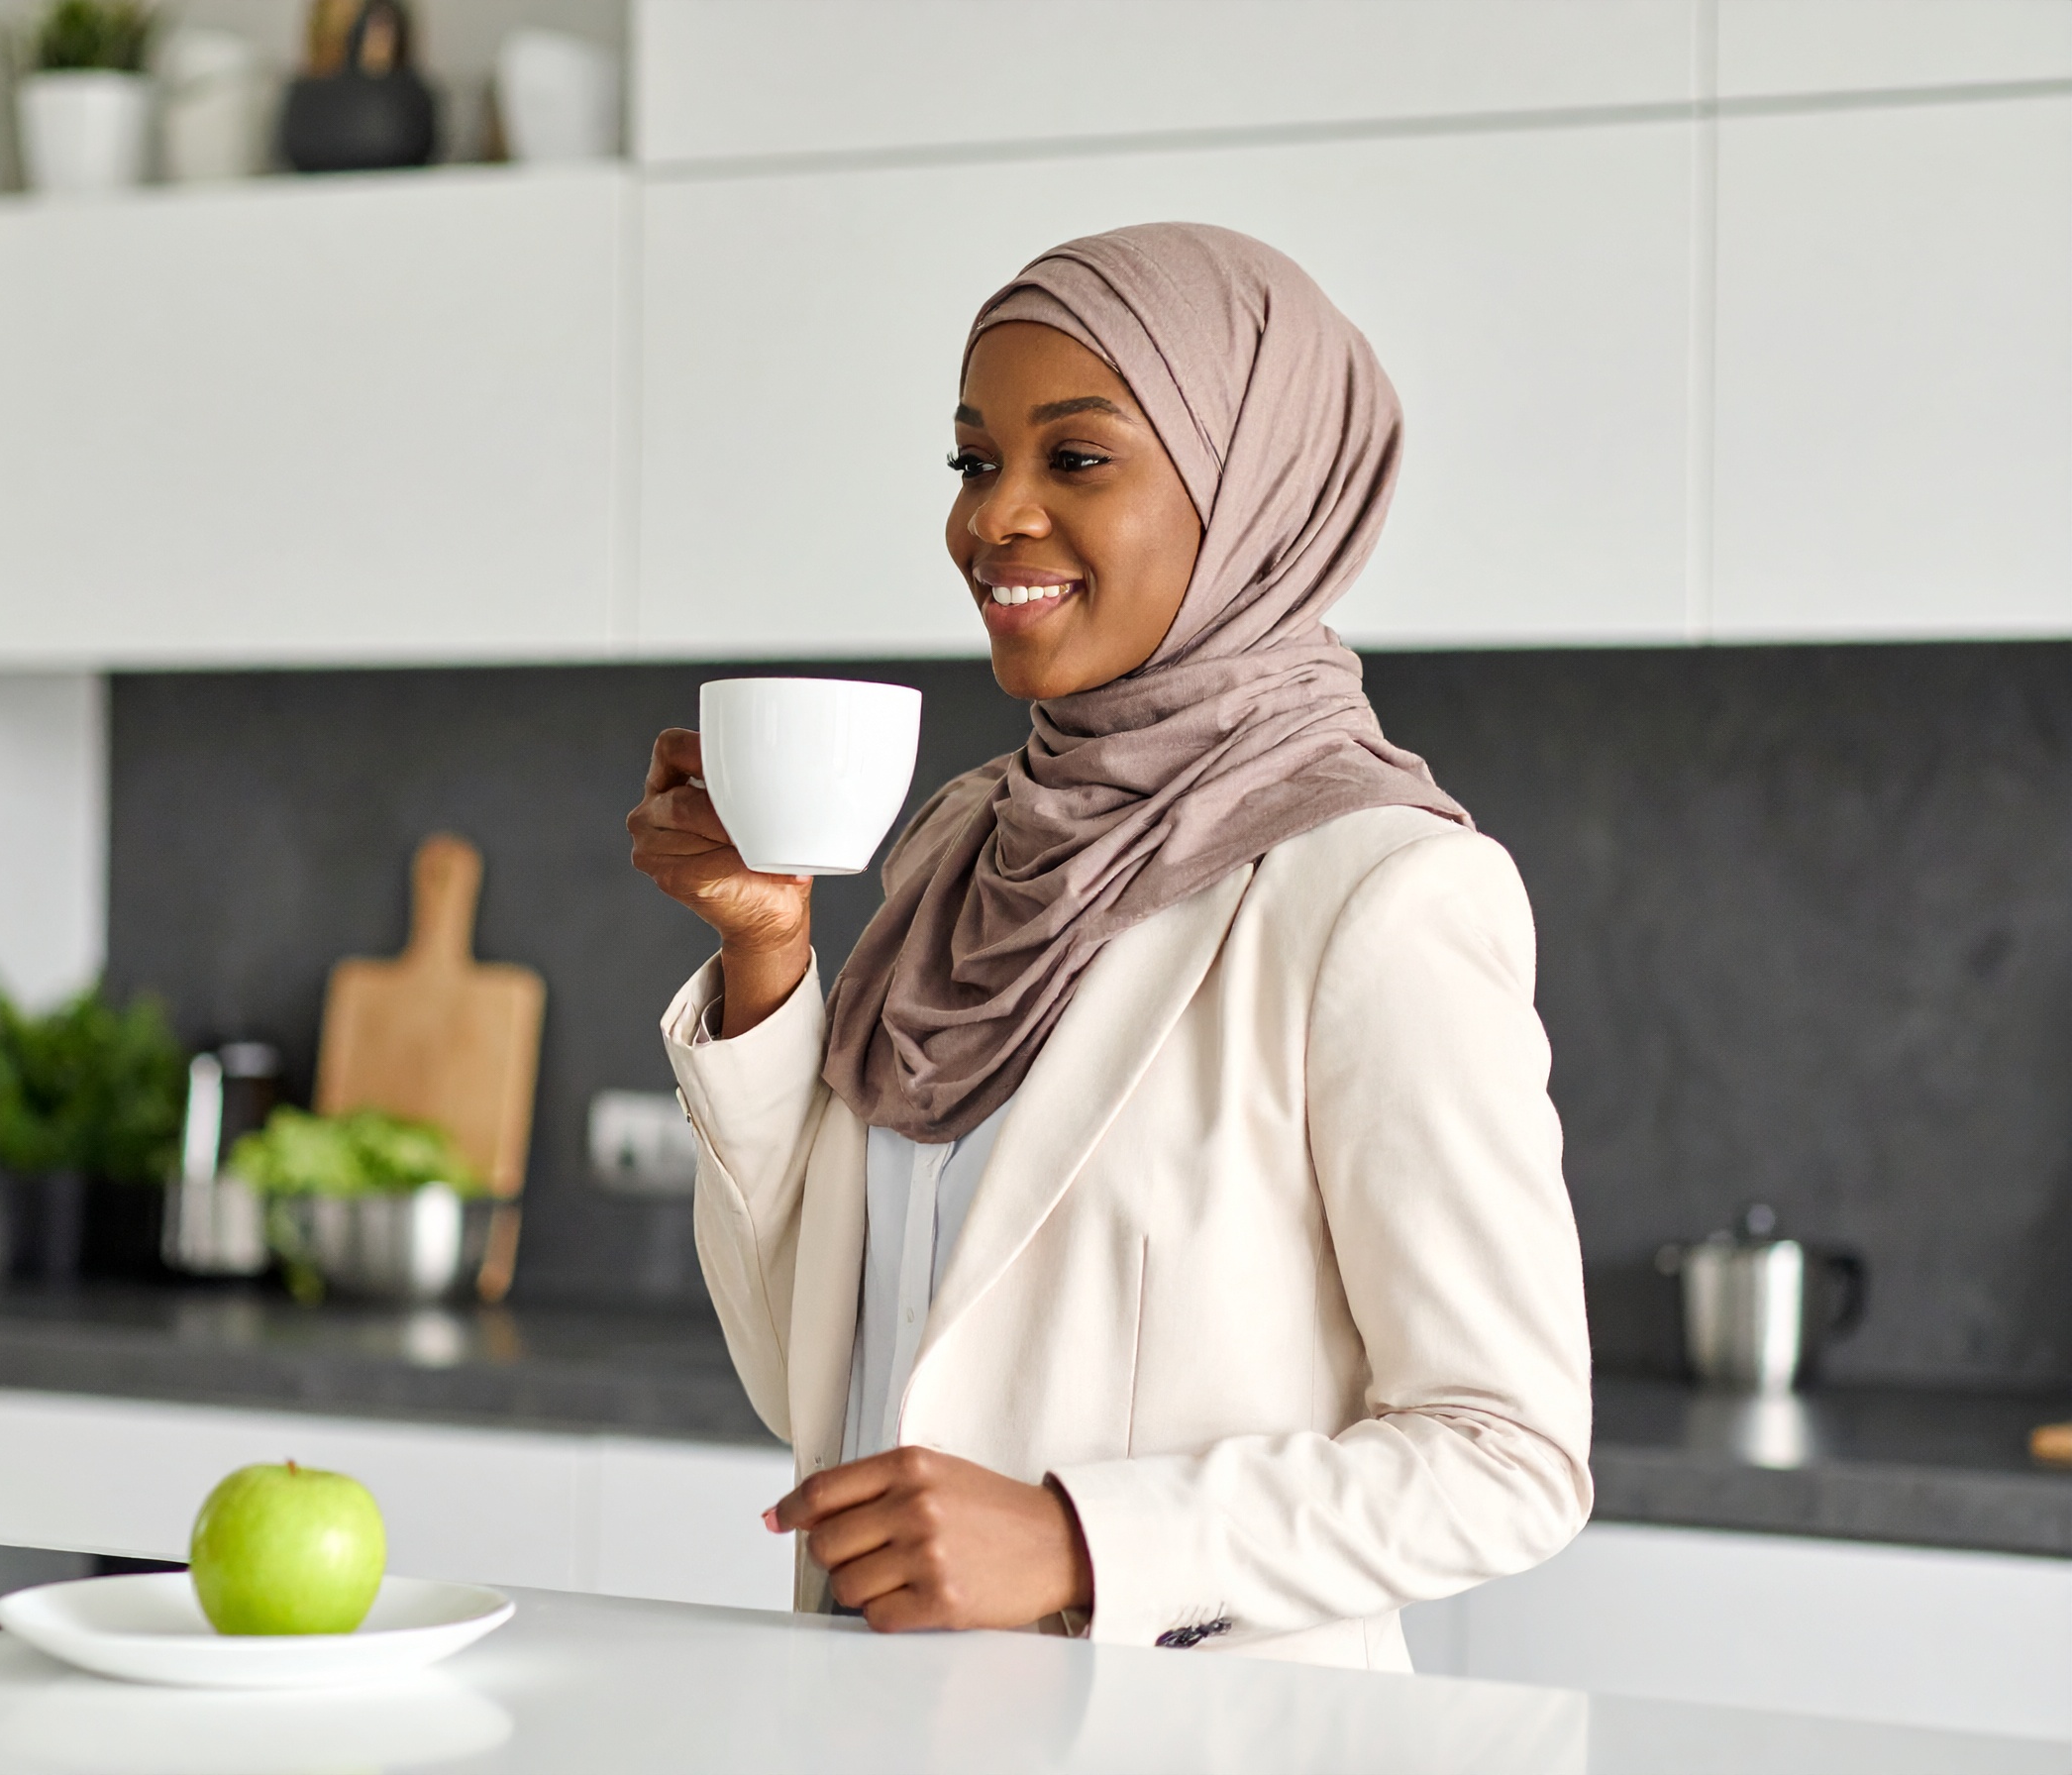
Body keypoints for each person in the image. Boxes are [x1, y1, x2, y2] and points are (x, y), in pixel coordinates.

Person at [626, 222, 1591, 1667]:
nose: (992, 518)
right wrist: (768, 962)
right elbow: (808, 1379)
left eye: (1075, 458)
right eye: (972, 462)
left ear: (1258, 492)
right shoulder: (961, 853)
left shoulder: (1383, 894)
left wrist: (1086, 1543)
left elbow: (1510, 1457)